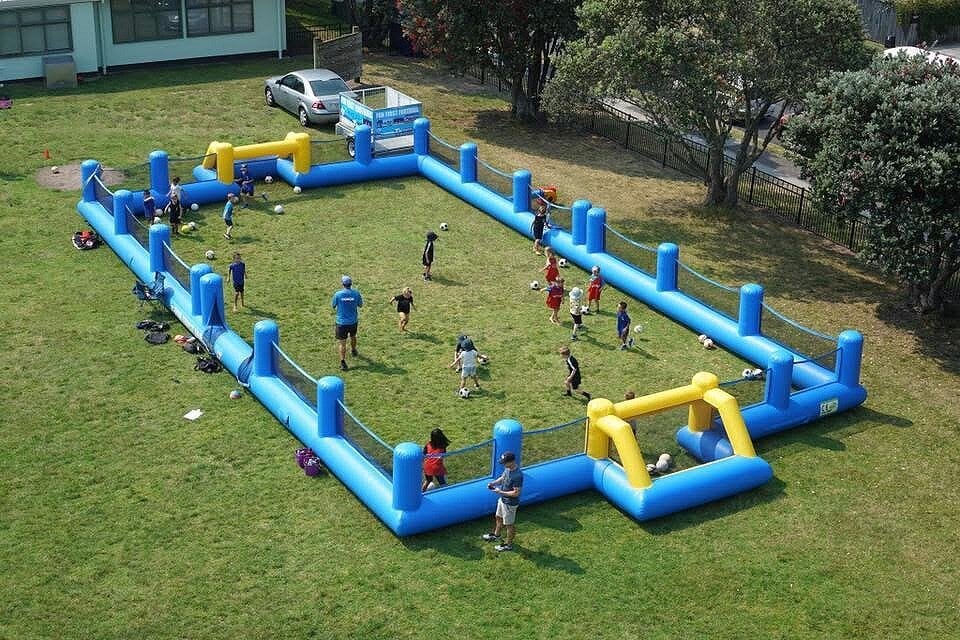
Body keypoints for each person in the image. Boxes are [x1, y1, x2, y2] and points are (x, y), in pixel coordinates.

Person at [481, 451, 523, 552]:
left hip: (510, 504)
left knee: (509, 525)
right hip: (502, 500)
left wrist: (500, 491)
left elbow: (516, 493)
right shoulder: (508, 468)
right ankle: (497, 535)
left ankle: (508, 545)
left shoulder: (517, 475)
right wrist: (494, 483)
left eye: (505, 462)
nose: (503, 464)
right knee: (498, 517)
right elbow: (503, 477)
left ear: (512, 462)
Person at [331, 275, 363, 371]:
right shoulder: (356, 293)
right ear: (351, 284)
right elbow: (360, 305)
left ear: (343, 284)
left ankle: (343, 362)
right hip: (353, 321)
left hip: (341, 323)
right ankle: (353, 350)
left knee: (342, 343)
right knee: (353, 336)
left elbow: (333, 305)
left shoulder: (338, 294)